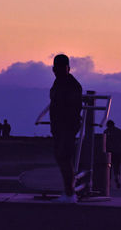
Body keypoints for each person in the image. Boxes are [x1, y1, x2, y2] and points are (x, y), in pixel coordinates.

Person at [49, 54, 82, 203]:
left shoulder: (72, 85)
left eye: (61, 68)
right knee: (61, 157)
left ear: (68, 68)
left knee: (64, 157)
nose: (58, 71)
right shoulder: (58, 83)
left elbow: (72, 108)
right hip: (58, 127)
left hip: (67, 127)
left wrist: (66, 126)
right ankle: (68, 191)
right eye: (56, 68)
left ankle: (70, 193)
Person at [104, 120, 121, 189]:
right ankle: (117, 179)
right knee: (117, 167)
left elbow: (104, 142)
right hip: (118, 151)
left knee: (109, 167)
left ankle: (109, 182)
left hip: (110, 152)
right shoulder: (119, 131)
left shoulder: (106, 131)